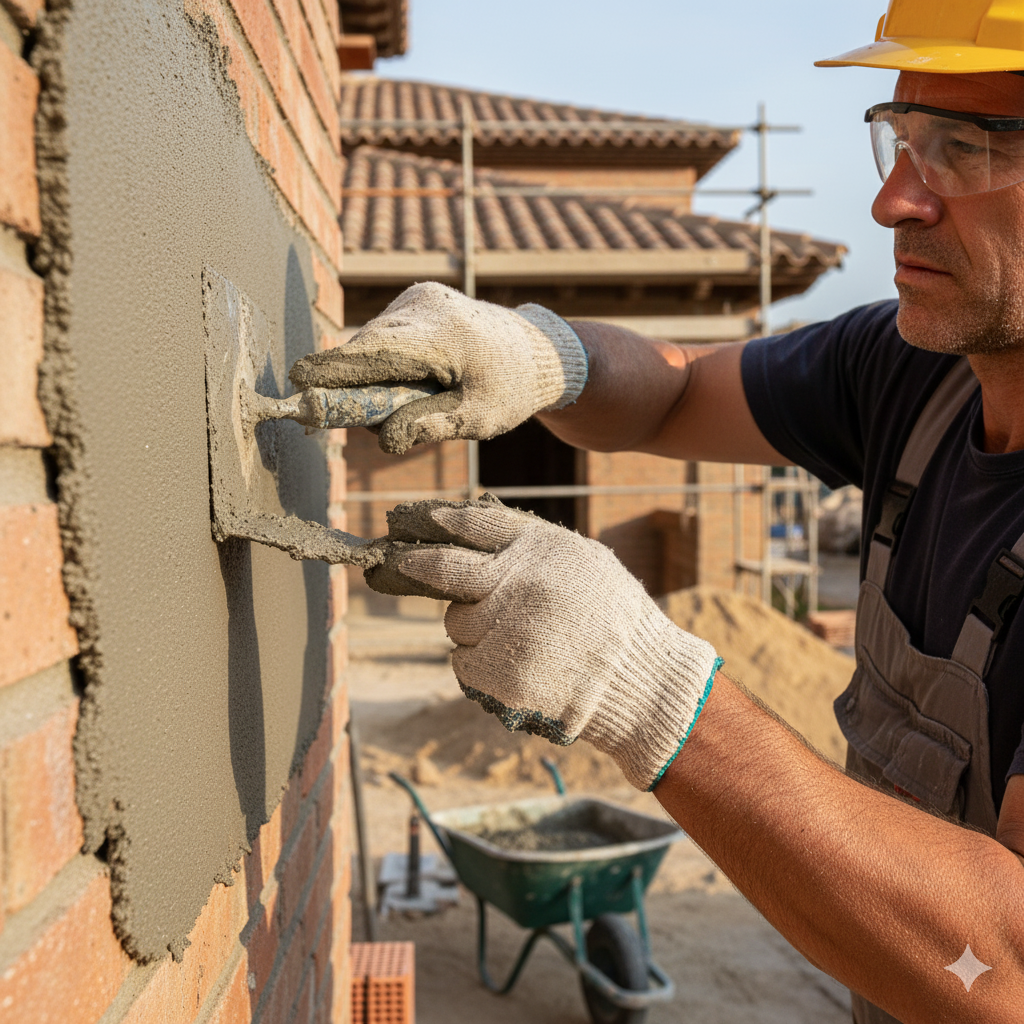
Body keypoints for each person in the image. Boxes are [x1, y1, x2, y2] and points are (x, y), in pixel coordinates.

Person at [292, 2, 1024, 1019]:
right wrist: (550, 357)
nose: (895, 202)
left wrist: (646, 689)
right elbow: (677, 388)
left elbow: (1006, 961)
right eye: (898, 141)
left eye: (961, 149)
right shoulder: (914, 372)